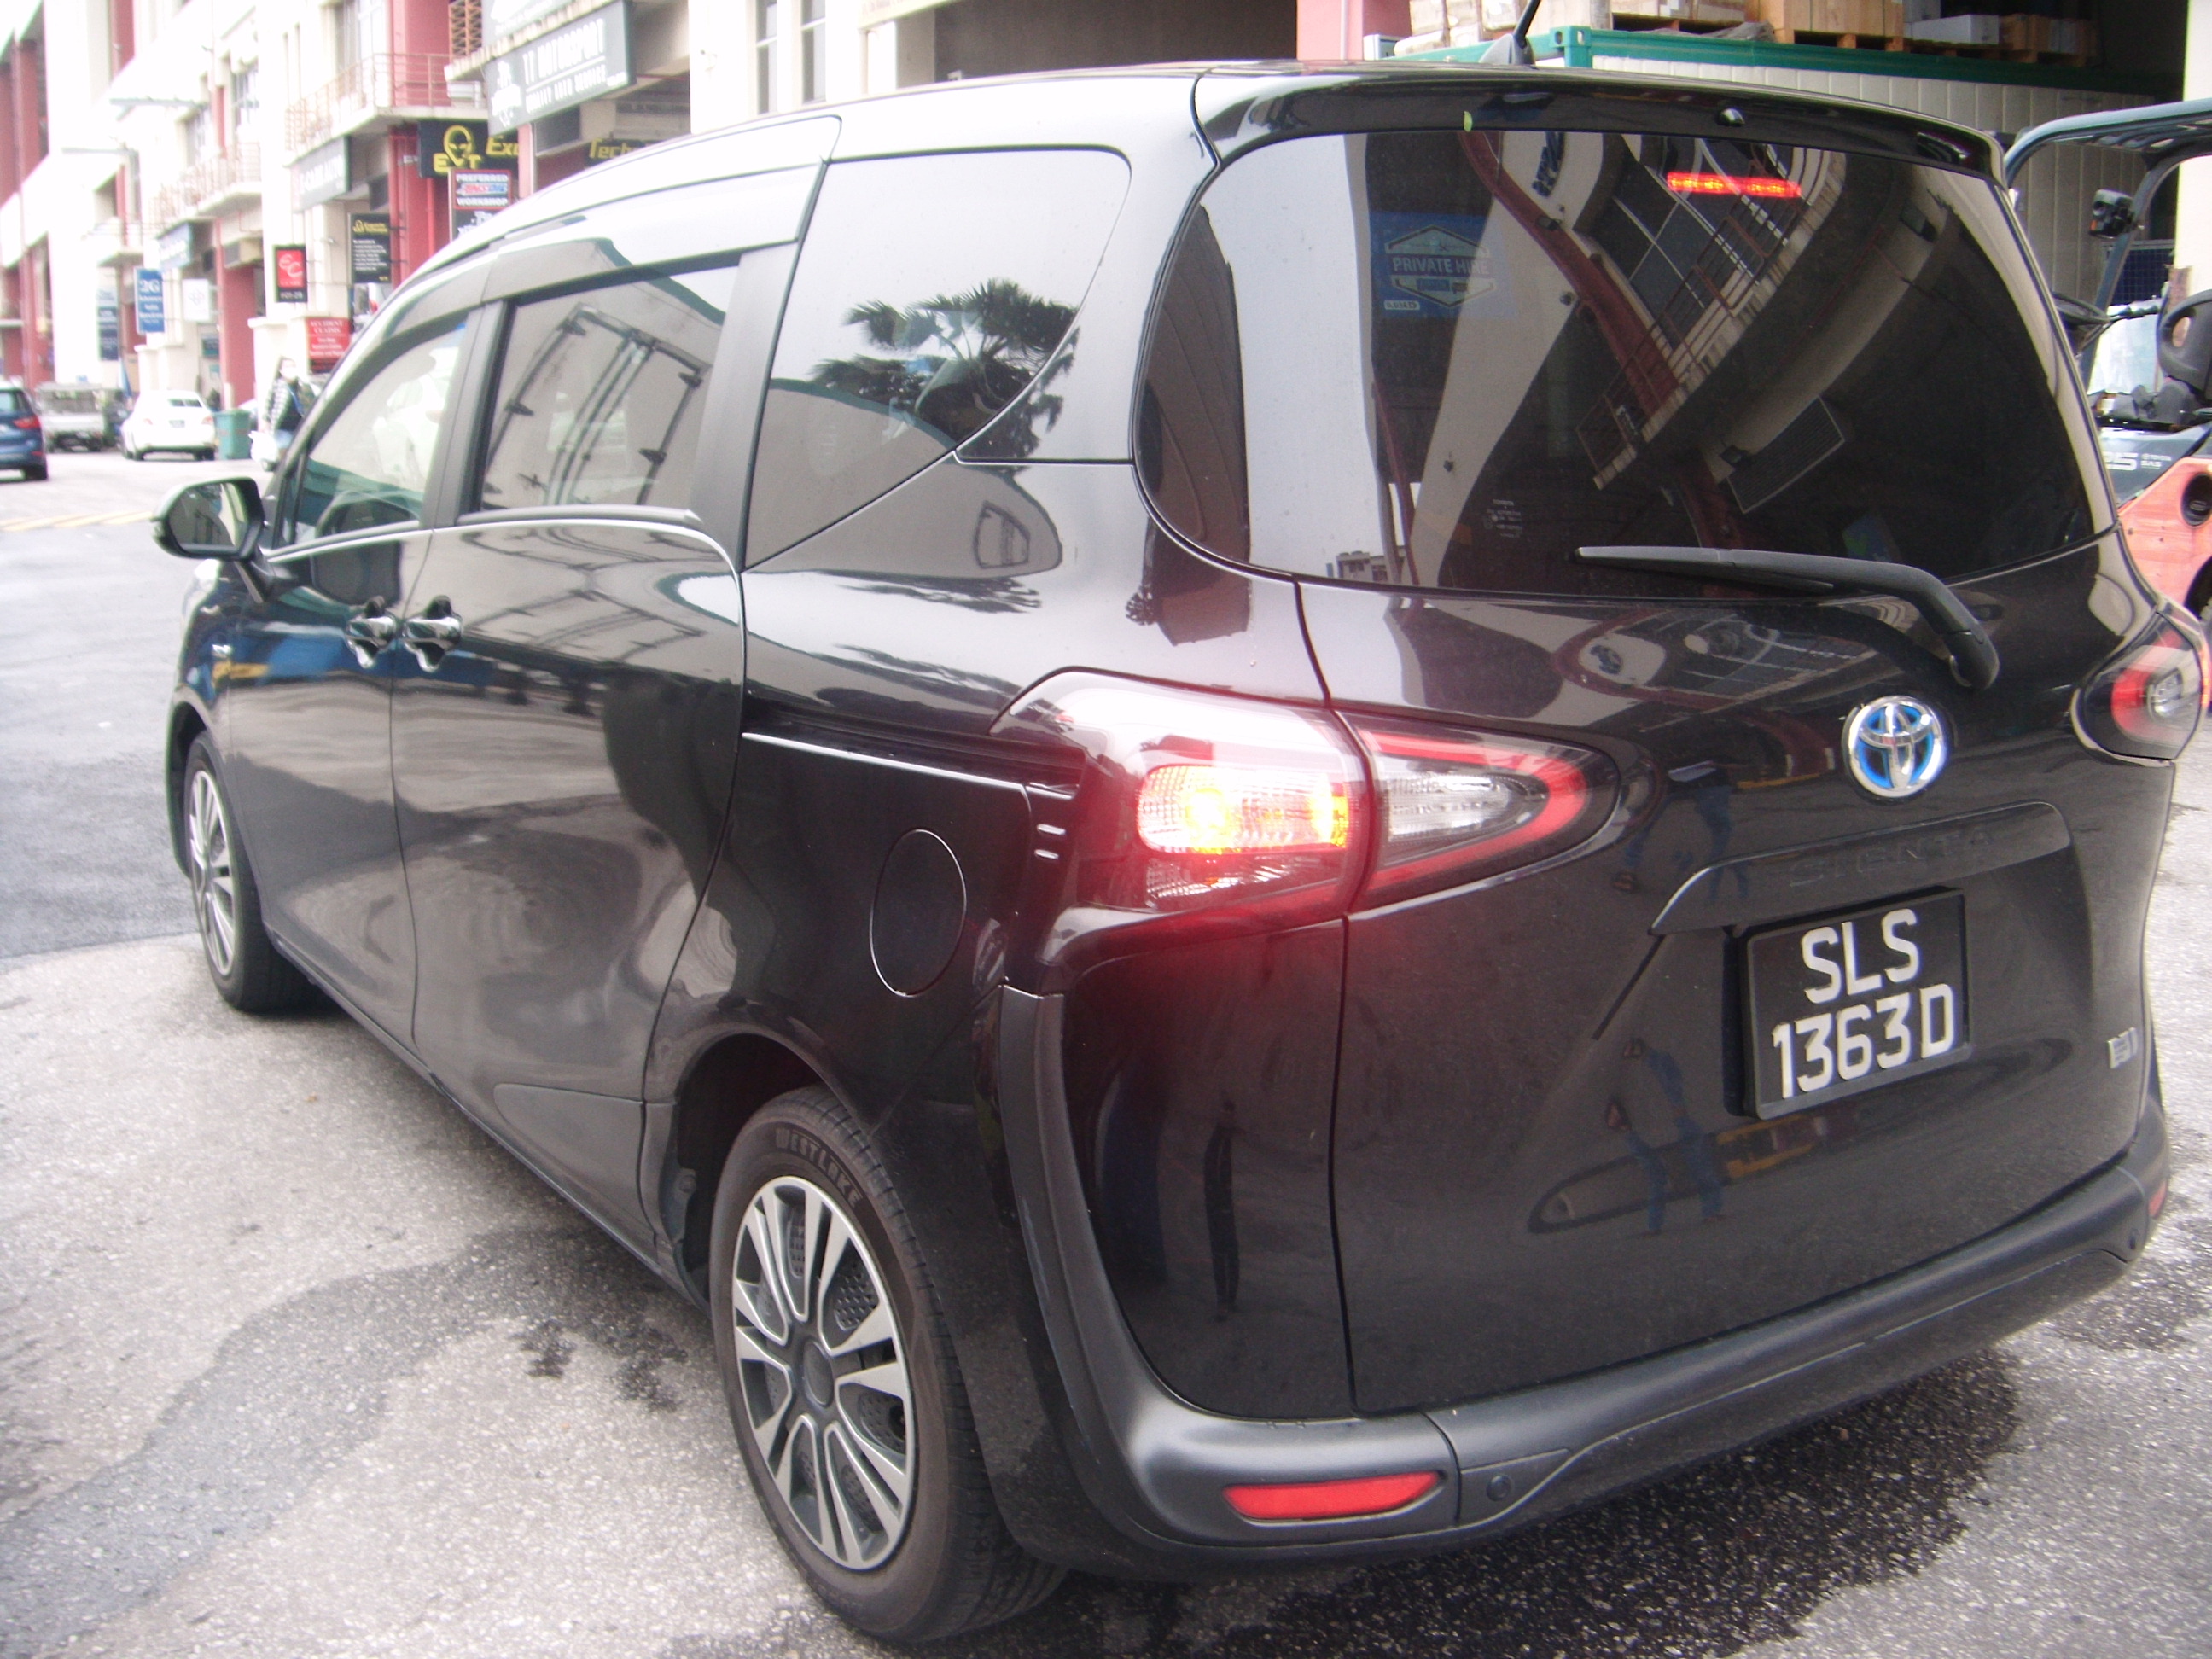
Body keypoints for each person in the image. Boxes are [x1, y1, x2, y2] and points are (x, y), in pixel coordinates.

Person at [259, 358, 316, 464]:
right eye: (287, 366)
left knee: (300, 454)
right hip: (282, 427)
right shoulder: (277, 386)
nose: (290, 369)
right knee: (284, 453)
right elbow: (269, 404)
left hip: (300, 426)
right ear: (281, 370)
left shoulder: (304, 386)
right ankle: (285, 471)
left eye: (292, 366)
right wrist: (265, 420)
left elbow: (312, 403)